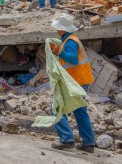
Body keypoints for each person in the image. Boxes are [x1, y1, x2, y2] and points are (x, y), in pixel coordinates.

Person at [49, 13, 96, 153]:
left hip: (76, 82)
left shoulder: (70, 42)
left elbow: (73, 59)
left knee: (57, 108)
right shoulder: (70, 39)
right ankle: (88, 143)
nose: (57, 31)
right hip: (79, 81)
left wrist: (57, 51)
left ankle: (66, 140)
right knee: (80, 111)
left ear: (63, 29)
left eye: (58, 28)